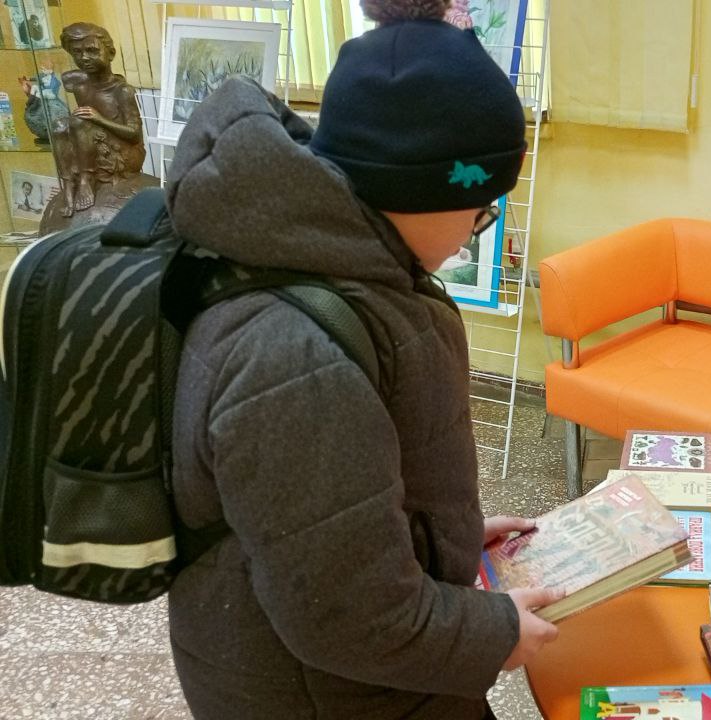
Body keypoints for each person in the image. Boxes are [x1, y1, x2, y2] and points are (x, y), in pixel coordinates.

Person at [164, 5, 558, 719]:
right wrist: (494, 634)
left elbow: (336, 511)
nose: (478, 230)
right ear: (426, 189)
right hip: (320, 696)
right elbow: (346, 616)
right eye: (481, 209)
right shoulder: (295, 358)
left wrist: (448, 539)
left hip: (370, 678)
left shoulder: (351, 266)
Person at [49, 23, 145, 217]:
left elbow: (135, 134)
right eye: (77, 52)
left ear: (111, 53)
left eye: (92, 51)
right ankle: (68, 184)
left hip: (123, 152)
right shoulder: (79, 85)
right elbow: (68, 77)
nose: (84, 58)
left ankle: (86, 180)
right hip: (93, 145)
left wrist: (99, 119)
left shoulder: (122, 91)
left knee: (78, 122)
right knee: (59, 125)